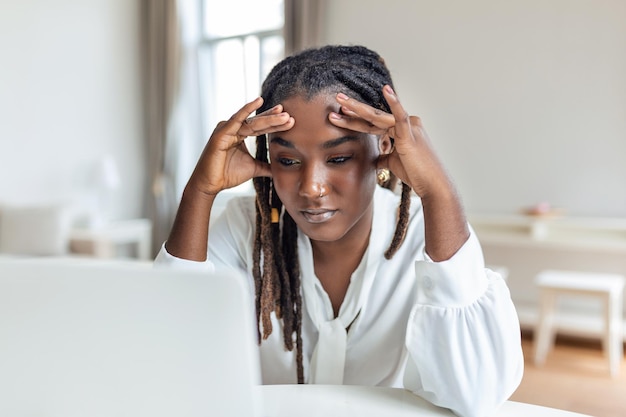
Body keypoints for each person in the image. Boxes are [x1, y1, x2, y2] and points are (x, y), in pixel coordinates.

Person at [155, 45, 523, 417]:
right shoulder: (245, 226)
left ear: (384, 144)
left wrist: (439, 192)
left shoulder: (424, 237)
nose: (311, 187)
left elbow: (475, 395)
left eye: (338, 158)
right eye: (288, 160)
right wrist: (199, 190)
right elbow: (167, 353)